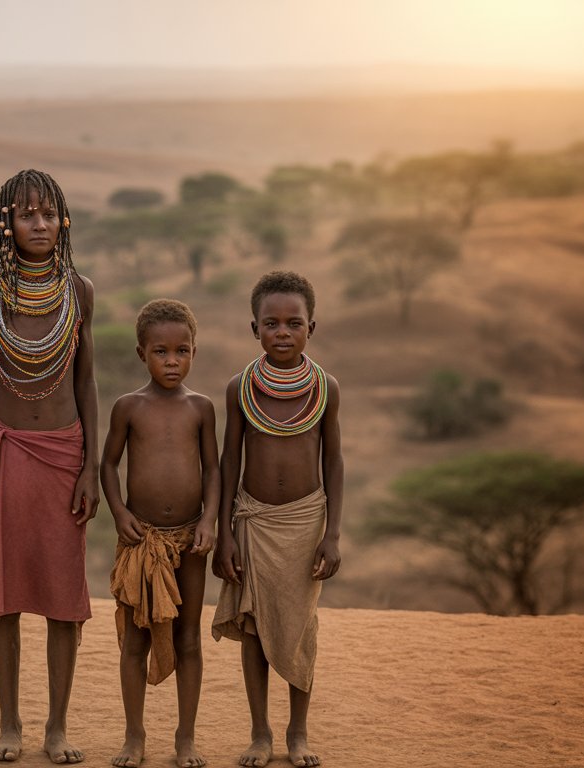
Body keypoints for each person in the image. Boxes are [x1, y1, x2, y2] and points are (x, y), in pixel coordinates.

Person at [0, 169, 100, 765]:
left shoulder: (79, 291)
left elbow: (86, 381)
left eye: (47, 214)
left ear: (62, 220)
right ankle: (9, 725)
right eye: (25, 214)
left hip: (64, 458)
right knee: (5, 596)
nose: (38, 224)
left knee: (64, 598)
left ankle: (57, 727)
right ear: (5, 223)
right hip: (5, 457)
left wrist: (90, 465)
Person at [211, 271, 344, 768]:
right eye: (271, 323)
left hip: (307, 522)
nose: (282, 332)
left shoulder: (325, 387)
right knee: (253, 626)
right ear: (254, 329)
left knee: (299, 627)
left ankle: (298, 733)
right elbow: (229, 463)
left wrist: (332, 533)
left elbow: (334, 461)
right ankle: (260, 733)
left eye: (294, 322)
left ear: (313, 327)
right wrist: (223, 534)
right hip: (253, 520)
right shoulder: (239, 388)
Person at [100, 299, 219, 768]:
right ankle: (134, 736)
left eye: (182, 351)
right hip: (140, 540)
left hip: (190, 540)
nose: (172, 361)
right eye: (161, 352)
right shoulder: (128, 407)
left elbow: (213, 469)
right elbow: (108, 464)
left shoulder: (201, 408)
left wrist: (208, 521)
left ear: (194, 352)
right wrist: (118, 512)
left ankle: (185, 738)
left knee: (188, 639)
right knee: (135, 639)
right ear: (141, 354)